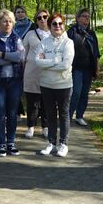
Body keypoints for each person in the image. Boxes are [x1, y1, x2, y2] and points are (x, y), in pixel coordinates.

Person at [0, 9, 26, 156]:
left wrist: (2, 54)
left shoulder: (17, 39)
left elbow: (20, 57)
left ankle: (11, 142)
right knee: (0, 112)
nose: (7, 24)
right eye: (4, 21)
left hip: (14, 82)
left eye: (10, 21)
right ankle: (1, 144)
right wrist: (11, 57)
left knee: (12, 112)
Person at [35, 13, 75, 157]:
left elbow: (66, 65)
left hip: (64, 85)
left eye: (60, 23)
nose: (58, 26)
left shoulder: (68, 43)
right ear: (50, 26)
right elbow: (37, 61)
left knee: (64, 114)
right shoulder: (44, 42)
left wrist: (47, 62)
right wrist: (55, 60)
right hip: (46, 84)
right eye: (54, 24)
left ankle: (63, 144)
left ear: (64, 25)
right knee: (50, 114)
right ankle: (51, 143)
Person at [67, 7, 100, 126]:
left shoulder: (91, 33)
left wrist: (97, 67)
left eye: (88, 17)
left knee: (84, 93)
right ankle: (68, 116)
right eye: (84, 16)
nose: (87, 18)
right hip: (76, 68)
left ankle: (79, 116)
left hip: (88, 68)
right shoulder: (71, 32)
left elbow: (96, 52)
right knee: (76, 92)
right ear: (77, 18)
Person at [22, 9, 51, 139]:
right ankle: (31, 127)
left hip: (49, 73)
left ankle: (45, 127)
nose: (42, 19)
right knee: (32, 102)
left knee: (47, 102)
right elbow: (23, 52)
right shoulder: (30, 34)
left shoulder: (55, 33)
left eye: (45, 17)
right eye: (39, 18)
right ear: (36, 21)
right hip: (32, 73)